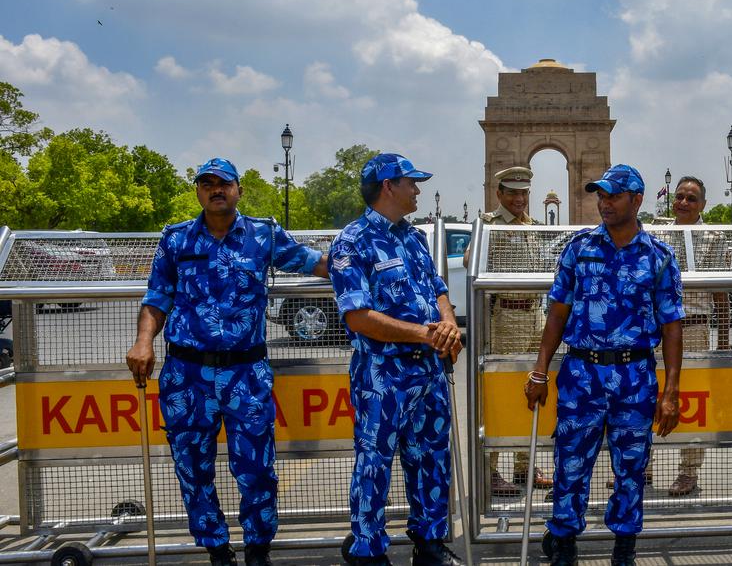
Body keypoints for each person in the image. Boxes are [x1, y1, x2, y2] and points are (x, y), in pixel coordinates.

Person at [126, 158, 328, 566]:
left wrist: (363, 270)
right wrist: (143, 341)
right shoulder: (176, 240)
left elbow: (314, 262)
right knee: (192, 468)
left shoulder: (263, 235)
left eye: (224, 183)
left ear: (239, 189)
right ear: (198, 191)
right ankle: (217, 549)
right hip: (186, 374)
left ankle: (257, 548)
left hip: (245, 373)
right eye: (207, 183)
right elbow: (156, 298)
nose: (215, 189)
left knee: (257, 468)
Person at [524, 164, 684, 566]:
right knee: (569, 464)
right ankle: (563, 547)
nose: (604, 202)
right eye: (601, 195)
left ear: (637, 200)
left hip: (635, 376)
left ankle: (624, 551)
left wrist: (671, 392)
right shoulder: (579, 248)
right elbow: (557, 314)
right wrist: (540, 370)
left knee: (631, 468)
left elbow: (672, 327)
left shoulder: (659, 258)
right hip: (582, 374)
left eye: (613, 195)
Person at [328, 153, 464, 566]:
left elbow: (438, 288)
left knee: (432, 459)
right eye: (411, 183)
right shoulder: (351, 242)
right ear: (388, 186)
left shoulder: (414, 237)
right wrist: (426, 333)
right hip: (381, 373)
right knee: (375, 463)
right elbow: (358, 316)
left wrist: (448, 324)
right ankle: (368, 550)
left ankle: (430, 543)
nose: (418, 190)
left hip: (429, 371)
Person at [466, 166, 553, 497]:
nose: (519, 199)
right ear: (499, 193)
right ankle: (490, 471)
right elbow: (471, 263)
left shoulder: (532, 226)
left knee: (534, 388)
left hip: (535, 315)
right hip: (506, 315)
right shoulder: (489, 225)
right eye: (513, 193)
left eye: (524, 193)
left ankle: (524, 466)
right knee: (501, 391)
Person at [662, 175, 732, 497]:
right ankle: (643, 469)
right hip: (657, 330)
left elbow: (721, 293)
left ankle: (688, 471)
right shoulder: (658, 234)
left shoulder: (714, 237)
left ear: (703, 204)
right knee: (650, 396)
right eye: (680, 197)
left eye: (692, 198)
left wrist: (722, 338)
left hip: (695, 328)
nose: (684, 203)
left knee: (693, 402)